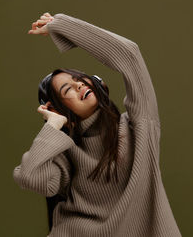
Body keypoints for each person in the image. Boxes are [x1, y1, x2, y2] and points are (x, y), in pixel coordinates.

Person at [13, 12, 182, 237]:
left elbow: (130, 54)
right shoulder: (65, 150)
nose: (79, 86)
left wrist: (62, 25)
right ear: (55, 109)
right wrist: (52, 127)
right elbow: (29, 177)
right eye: (67, 90)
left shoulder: (138, 126)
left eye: (79, 79)